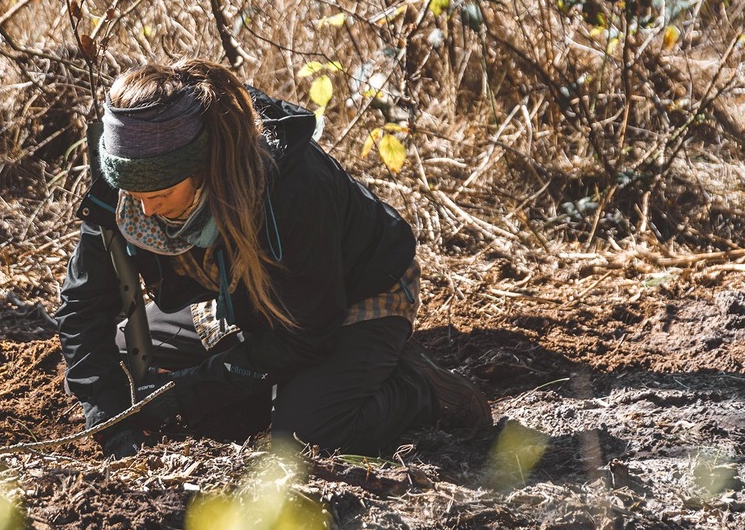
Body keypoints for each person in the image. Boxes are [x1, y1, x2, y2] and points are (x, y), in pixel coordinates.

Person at [56, 58, 491, 458]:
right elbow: (83, 308)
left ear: (201, 167)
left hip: (350, 299)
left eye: (161, 195)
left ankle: (423, 389)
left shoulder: (290, 187)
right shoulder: (127, 180)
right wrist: (109, 421)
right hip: (244, 300)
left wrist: (188, 391)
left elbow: (307, 332)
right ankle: (284, 387)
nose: (145, 211)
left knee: (303, 442)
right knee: (117, 359)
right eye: (133, 195)